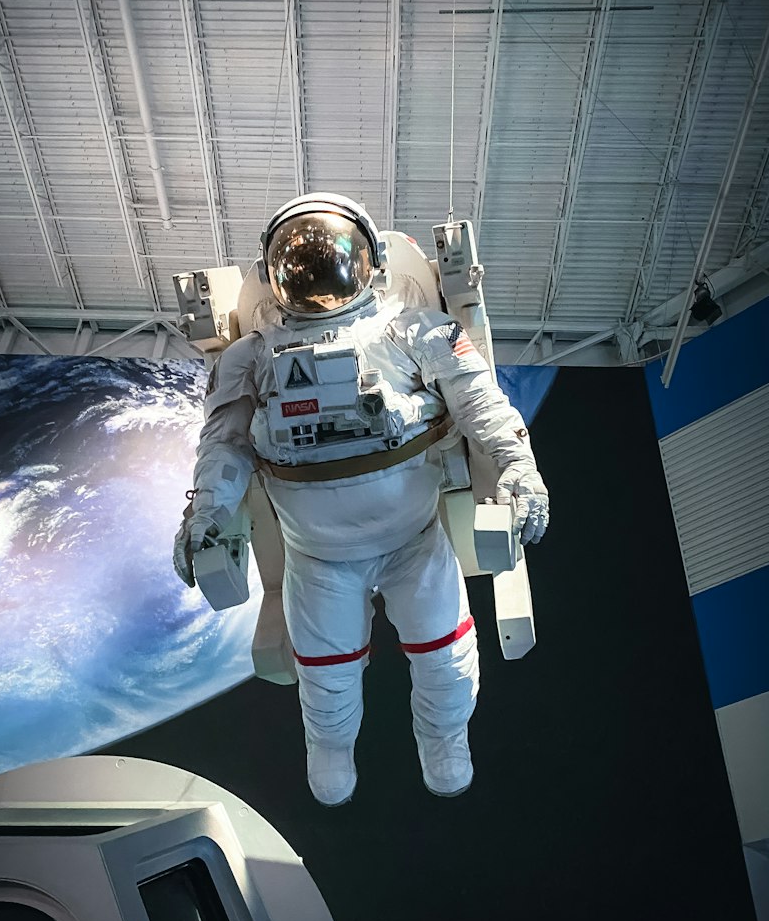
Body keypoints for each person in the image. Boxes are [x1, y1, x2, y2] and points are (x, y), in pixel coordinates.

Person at [174, 194, 549, 806]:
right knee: (327, 683)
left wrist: (515, 466)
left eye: (330, 258)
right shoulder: (250, 356)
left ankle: (445, 739)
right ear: (275, 275)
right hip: (317, 557)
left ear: (371, 260)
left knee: (447, 665)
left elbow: (484, 407)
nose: (317, 276)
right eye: (299, 262)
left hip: (413, 541)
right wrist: (209, 512)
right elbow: (224, 446)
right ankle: (330, 749)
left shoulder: (415, 330)